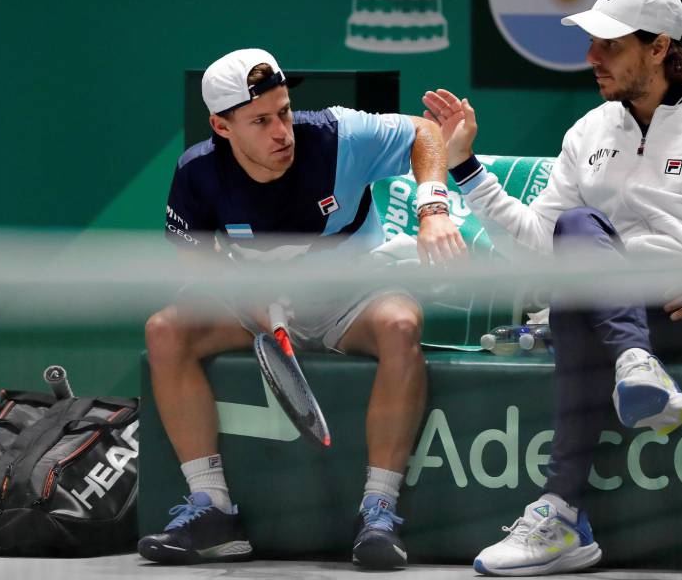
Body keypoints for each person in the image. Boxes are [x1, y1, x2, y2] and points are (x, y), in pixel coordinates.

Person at [422, 0, 682, 576]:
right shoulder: (588, 132)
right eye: (591, 43)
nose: (591, 58)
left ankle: (562, 512)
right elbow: (539, 245)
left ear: (659, 49)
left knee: (577, 306)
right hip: (627, 311)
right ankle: (633, 366)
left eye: (610, 45)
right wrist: (465, 165)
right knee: (575, 233)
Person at [139, 48, 466, 569]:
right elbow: (198, 264)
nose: (282, 132)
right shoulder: (198, 173)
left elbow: (425, 133)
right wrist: (255, 301)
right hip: (260, 307)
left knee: (401, 324)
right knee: (166, 330)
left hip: (352, 297)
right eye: (261, 121)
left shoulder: (338, 137)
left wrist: (432, 208)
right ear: (222, 128)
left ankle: (378, 511)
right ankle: (212, 508)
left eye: (285, 111)